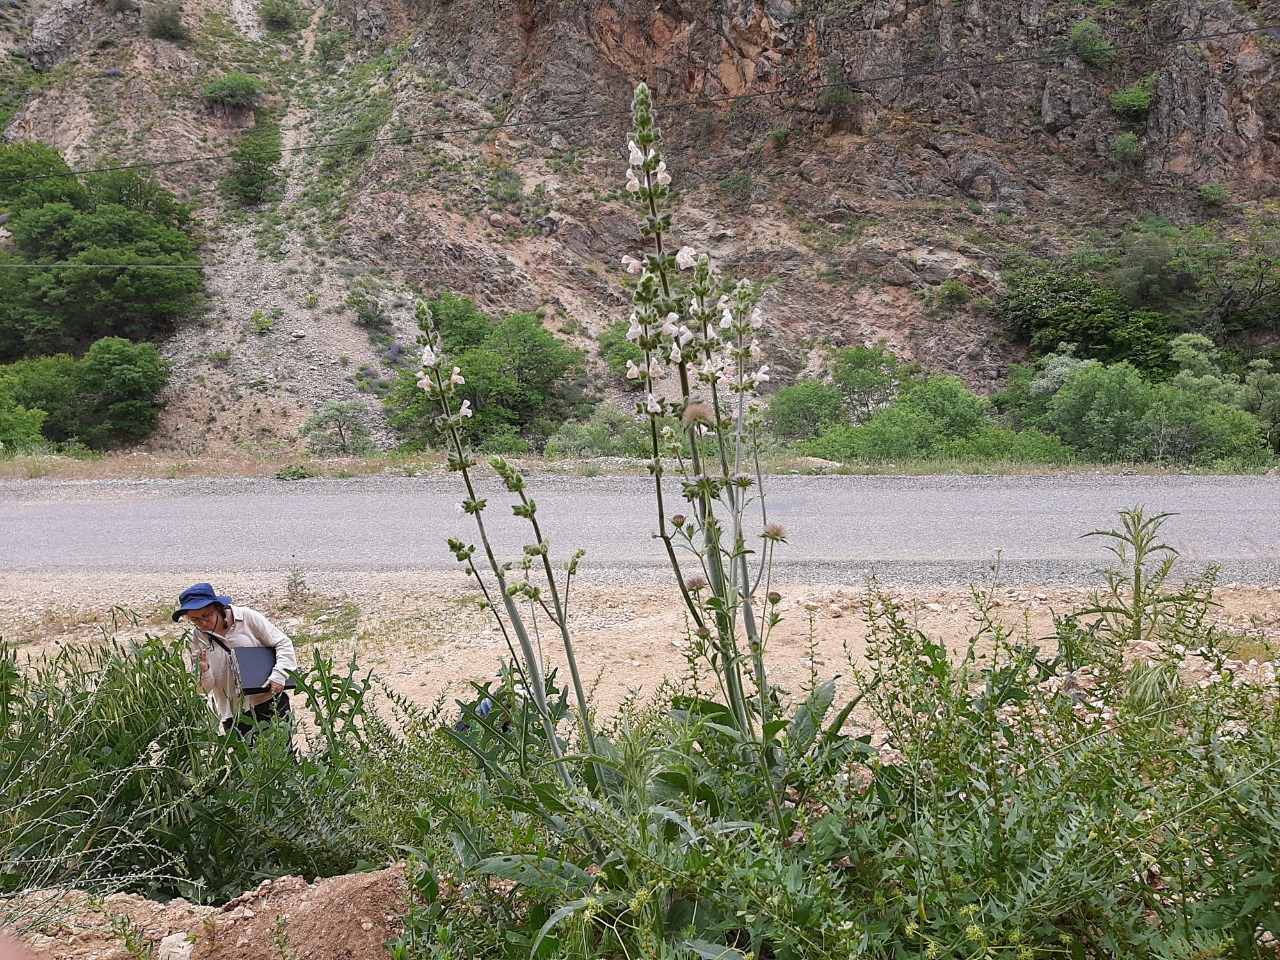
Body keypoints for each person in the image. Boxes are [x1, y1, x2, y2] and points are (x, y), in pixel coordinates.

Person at [172, 582, 298, 738]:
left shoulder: (246, 617)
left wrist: (279, 675)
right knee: (245, 761)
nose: (203, 623)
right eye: (195, 620)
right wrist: (203, 669)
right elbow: (203, 689)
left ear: (218, 607)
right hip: (234, 714)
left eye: (207, 615)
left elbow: (283, 643)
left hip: (270, 702)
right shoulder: (193, 639)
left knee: (284, 758)